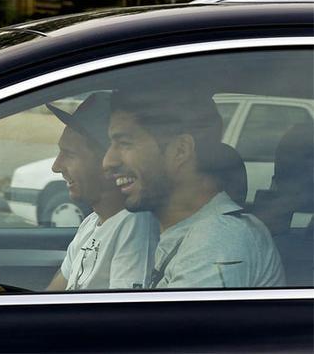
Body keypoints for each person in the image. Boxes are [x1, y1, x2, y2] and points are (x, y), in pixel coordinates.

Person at [0, 92, 159, 292]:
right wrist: (2, 300)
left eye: (70, 154)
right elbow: (52, 298)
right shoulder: (92, 223)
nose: (56, 166)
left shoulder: (135, 225)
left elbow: (125, 315)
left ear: (108, 160)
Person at [102, 89, 285, 288]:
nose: (107, 161)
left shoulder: (219, 239)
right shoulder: (189, 231)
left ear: (180, 151)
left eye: (125, 144)